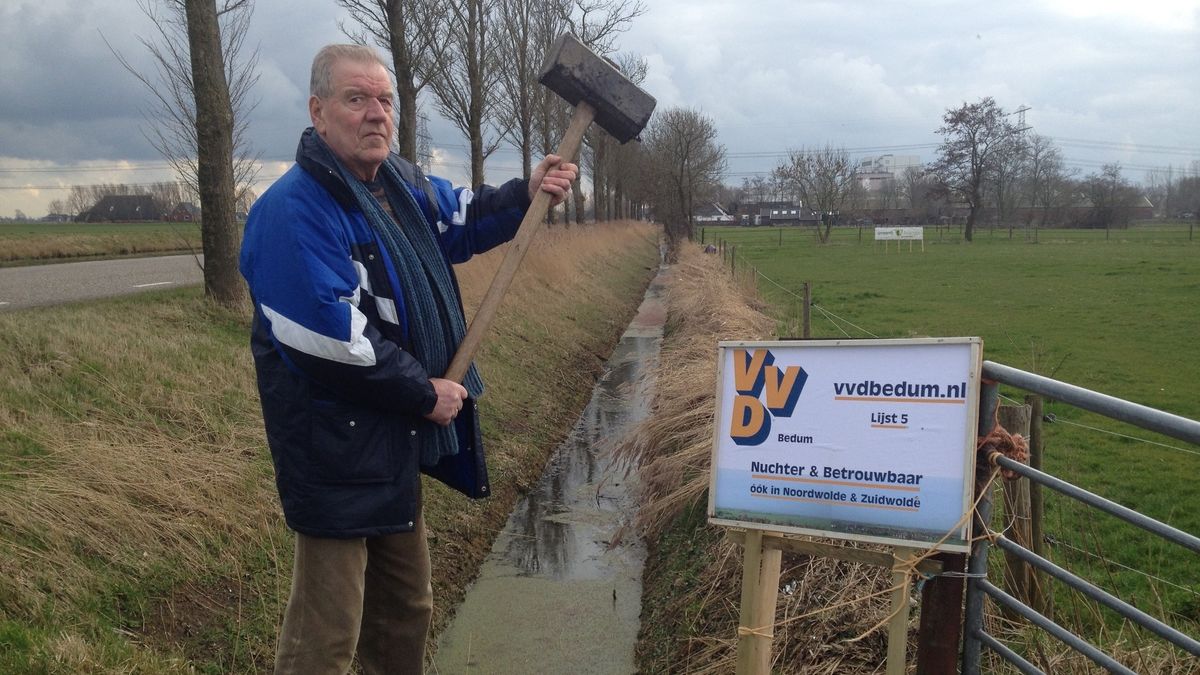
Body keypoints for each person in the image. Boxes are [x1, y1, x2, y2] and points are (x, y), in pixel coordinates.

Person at [239, 44, 577, 674]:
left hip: (392, 441)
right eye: (356, 99)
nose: (377, 114)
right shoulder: (293, 211)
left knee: (406, 611)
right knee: (326, 637)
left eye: (385, 100)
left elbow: (461, 218)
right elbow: (331, 341)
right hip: (335, 452)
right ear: (317, 111)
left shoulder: (400, 185)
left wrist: (526, 193)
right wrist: (425, 392)